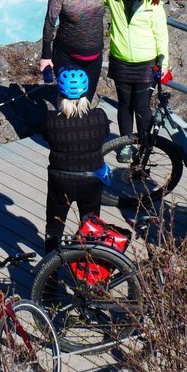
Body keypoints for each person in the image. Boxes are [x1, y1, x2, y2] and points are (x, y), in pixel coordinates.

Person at [104, 0, 169, 163]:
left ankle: (144, 146)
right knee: (125, 105)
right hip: (121, 61)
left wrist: (164, 62)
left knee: (142, 106)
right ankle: (125, 145)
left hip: (146, 63)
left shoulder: (152, 0)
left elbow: (161, 33)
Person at [42, 68, 112, 254]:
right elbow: (105, 135)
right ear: (86, 92)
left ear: (60, 93)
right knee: (90, 227)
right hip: (91, 179)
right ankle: (87, 267)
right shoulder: (99, 116)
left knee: (54, 228)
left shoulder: (50, 120)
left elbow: (46, 137)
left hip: (60, 181)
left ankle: (49, 270)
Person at [40, 0, 106, 100]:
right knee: (68, 101)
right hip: (66, 55)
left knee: (85, 101)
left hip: (94, 57)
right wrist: (45, 56)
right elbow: (49, 22)